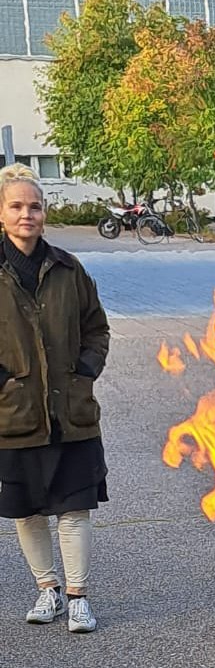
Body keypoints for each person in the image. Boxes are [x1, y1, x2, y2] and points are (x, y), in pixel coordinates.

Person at [0, 165, 109, 634]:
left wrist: (85, 371)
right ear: (2, 213)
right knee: (26, 510)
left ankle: (79, 596)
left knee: (73, 505)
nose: (27, 214)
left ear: (45, 213)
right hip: (14, 413)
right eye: (17, 206)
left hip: (71, 410)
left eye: (35, 206)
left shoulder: (69, 268)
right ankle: (49, 589)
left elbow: (96, 328)